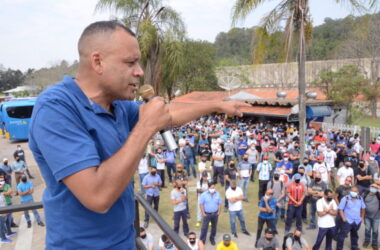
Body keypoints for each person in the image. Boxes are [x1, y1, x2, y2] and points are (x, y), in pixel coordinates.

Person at [26, 21, 250, 248]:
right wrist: (145, 128)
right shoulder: (56, 108)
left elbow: (167, 113)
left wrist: (217, 106)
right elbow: (97, 196)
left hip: (124, 241)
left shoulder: (118, 105)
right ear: (98, 62)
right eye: (130, 62)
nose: (140, 71)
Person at [336, 186, 366, 250]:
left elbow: (363, 208)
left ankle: (354, 247)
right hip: (347, 221)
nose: (353, 192)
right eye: (352, 191)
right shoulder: (345, 198)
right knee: (342, 236)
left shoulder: (360, 198)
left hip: (357, 221)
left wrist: (362, 217)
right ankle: (339, 248)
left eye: (355, 191)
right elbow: (340, 209)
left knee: (355, 235)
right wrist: (343, 218)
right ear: (350, 191)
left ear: (358, 192)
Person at [362, 185, 380, 249]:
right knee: (367, 230)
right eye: (373, 187)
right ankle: (367, 241)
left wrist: (378, 187)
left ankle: (374, 243)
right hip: (367, 216)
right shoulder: (365, 194)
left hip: (376, 217)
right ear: (370, 188)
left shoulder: (378, 194)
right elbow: (361, 204)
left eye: (376, 188)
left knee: (375, 231)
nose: (374, 189)